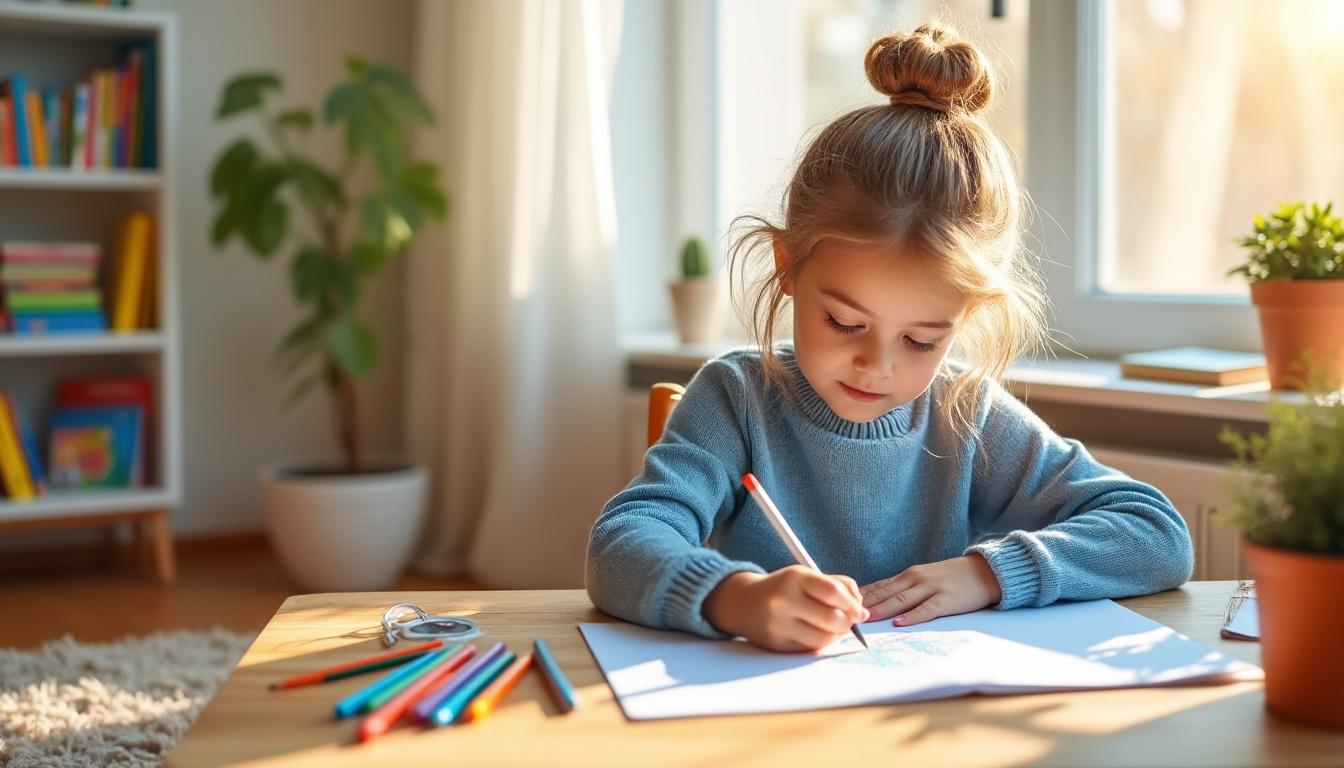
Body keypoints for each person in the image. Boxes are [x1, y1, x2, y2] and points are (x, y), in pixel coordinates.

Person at [586, 22, 1194, 653]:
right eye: (845, 323)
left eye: (923, 341)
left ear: (965, 316)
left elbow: (1154, 532)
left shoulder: (967, 414)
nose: (876, 366)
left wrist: (989, 573)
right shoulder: (737, 399)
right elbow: (622, 544)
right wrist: (732, 597)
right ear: (787, 264)